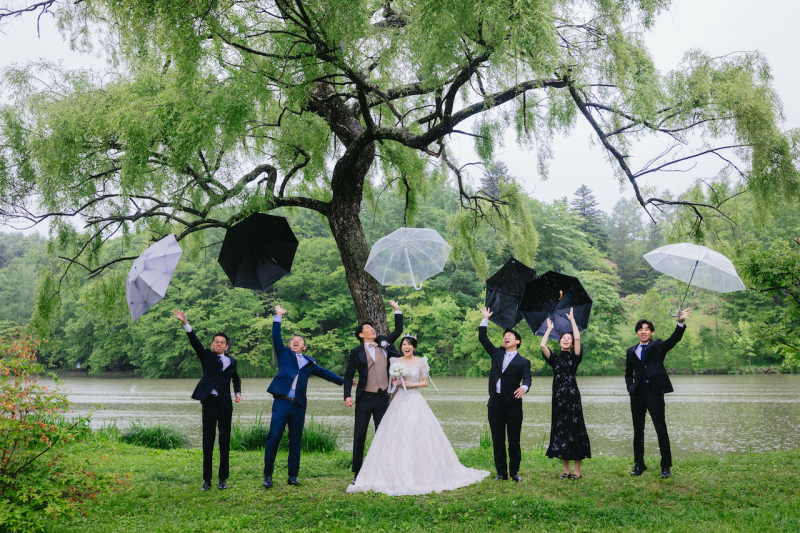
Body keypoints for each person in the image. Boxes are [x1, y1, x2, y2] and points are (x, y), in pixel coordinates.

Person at [348, 335, 489, 495]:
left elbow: (425, 382)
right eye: (403, 344)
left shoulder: (421, 362)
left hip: (415, 399)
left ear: (414, 347)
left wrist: (411, 384)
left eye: (409, 344)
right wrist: (398, 383)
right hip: (399, 401)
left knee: (419, 432)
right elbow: (392, 381)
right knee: (397, 434)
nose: (406, 347)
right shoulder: (395, 362)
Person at [263, 305, 345, 488]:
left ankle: (293, 476)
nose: (296, 341)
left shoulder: (310, 363)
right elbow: (276, 337)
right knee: (274, 436)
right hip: (282, 402)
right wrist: (278, 317)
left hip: (298, 405)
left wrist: (344, 382)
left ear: (304, 347)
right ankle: (268, 475)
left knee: (295, 440)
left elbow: (325, 373)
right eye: (293, 339)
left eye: (299, 340)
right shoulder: (284, 353)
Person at [173, 309, 241, 491]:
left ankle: (223, 479)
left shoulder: (232, 362)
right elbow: (194, 342)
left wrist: (238, 392)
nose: (219, 345)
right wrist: (185, 323)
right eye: (216, 342)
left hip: (226, 405)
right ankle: (207, 480)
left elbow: (236, 378)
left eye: (222, 343)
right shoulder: (207, 357)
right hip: (209, 403)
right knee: (208, 441)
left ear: (226, 346)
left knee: (225, 441)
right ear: (212, 345)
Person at [625, 308, 692, 479]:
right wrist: (630, 389)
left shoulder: (659, 346)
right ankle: (639, 464)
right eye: (640, 329)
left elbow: (674, 339)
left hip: (655, 393)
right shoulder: (631, 351)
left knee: (661, 429)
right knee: (637, 430)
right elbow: (628, 373)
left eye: (647, 329)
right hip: (637, 394)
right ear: (637, 333)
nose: (643, 331)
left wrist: (680, 322)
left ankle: (666, 466)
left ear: (652, 332)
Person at [343, 300, 403, 484]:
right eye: (368, 328)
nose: (372, 329)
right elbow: (348, 375)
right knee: (360, 434)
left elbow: (398, 331)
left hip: (382, 395)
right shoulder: (356, 352)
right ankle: (357, 473)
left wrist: (397, 310)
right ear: (361, 335)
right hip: (364, 397)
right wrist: (347, 395)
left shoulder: (384, 344)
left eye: (372, 327)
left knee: (382, 432)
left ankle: (384, 471)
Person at [479, 307, 532, 482]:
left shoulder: (524, 361)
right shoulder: (496, 353)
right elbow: (482, 338)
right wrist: (485, 318)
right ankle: (501, 473)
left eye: (509, 336)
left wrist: (524, 387)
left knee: (514, 440)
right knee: (498, 439)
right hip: (495, 403)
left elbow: (527, 379)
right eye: (504, 336)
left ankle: (514, 472)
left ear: (517, 341)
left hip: (513, 404)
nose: (505, 337)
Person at [540, 309, 591, 479]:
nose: (567, 339)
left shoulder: (575, 357)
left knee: (575, 431)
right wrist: (549, 329)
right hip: (558, 399)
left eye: (568, 338)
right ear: (559, 341)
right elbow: (542, 346)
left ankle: (577, 472)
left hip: (572, 398)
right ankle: (566, 470)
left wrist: (572, 321)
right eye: (563, 338)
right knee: (561, 431)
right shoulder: (554, 358)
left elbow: (577, 338)